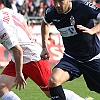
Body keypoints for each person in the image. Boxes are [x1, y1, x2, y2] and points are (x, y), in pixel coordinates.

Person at [40, 0, 100, 100]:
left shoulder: (83, 6)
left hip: (92, 58)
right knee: (53, 80)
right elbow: (45, 23)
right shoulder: (51, 12)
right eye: (55, 1)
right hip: (72, 58)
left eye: (61, 1)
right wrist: (44, 47)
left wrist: (93, 30)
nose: (57, 5)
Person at [0, 2, 52, 100]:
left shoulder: (2, 29)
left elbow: (18, 50)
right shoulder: (5, 11)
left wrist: (19, 74)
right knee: (1, 87)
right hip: (19, 59)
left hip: (33, 59)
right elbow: (22, 20)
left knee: (52, 92)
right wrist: (29, 36)